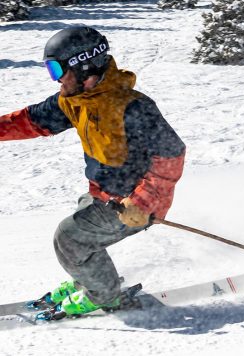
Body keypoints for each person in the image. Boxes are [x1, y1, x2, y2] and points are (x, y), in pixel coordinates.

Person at [0, 25, 186, 316]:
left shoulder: (132, 107)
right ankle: (88, 279)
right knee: (79, 232)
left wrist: (141, 202)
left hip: (135, 203)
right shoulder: (75, 101)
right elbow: (31, 121)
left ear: (82, 66)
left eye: (57, 69)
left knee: (70, 238)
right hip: (103, 194)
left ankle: (105, 296)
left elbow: (172, 154)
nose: (57, 79)